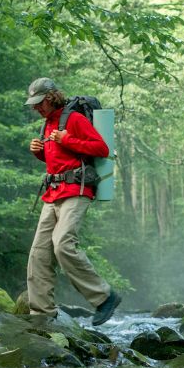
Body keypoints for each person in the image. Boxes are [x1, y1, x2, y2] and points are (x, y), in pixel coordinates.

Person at [24, 77, 122, 325]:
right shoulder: (46, 125)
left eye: (39, 103)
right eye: (34, 104)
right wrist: (39, 152)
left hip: (76, 191)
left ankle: (104, 297)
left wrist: (66, 139)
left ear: (50, 97)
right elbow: (55, 160)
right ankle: (41, 315)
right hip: (52, 194)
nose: (36, 108)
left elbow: (101, 148)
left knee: (62, 244)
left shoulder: (74, 119)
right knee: (38, 254)